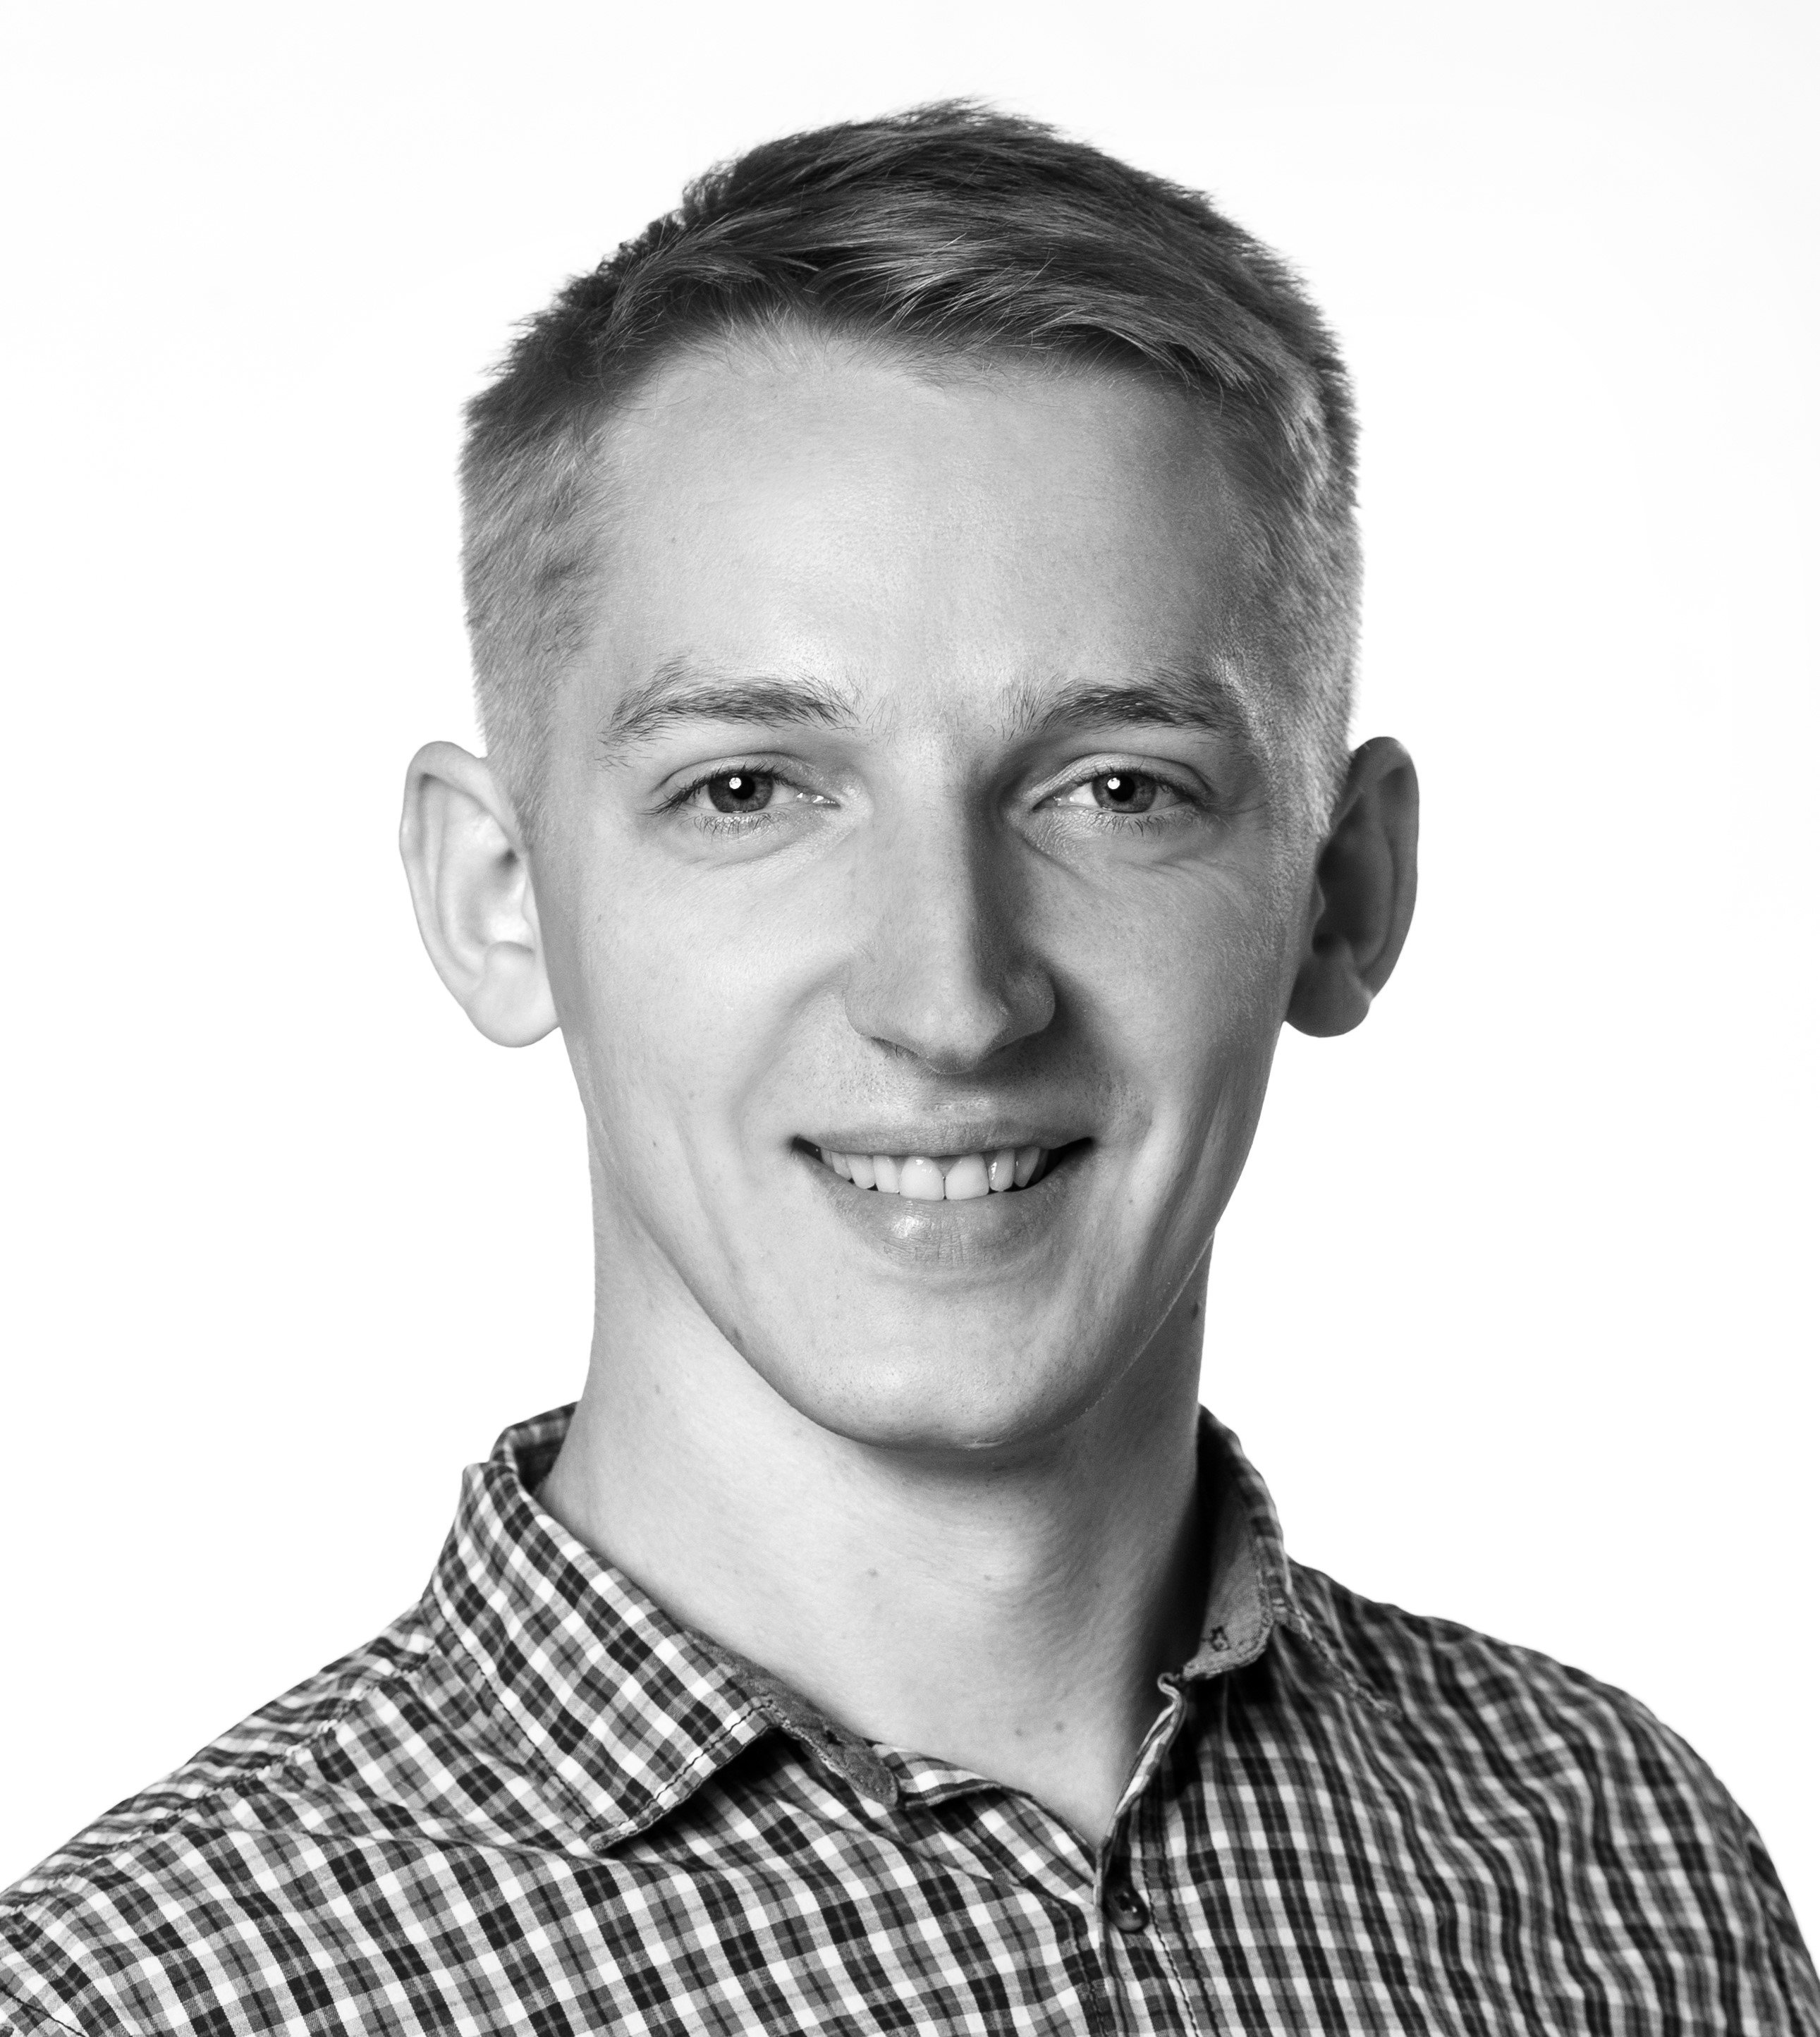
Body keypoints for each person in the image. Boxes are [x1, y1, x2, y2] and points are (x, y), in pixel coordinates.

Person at [2, 102, 1812, 2037]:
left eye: (1118, 789)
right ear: (498, 897)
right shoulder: (136, 2004)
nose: (949, 997)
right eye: (749, 791)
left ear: (1344, 891)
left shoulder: (1620, 1871)